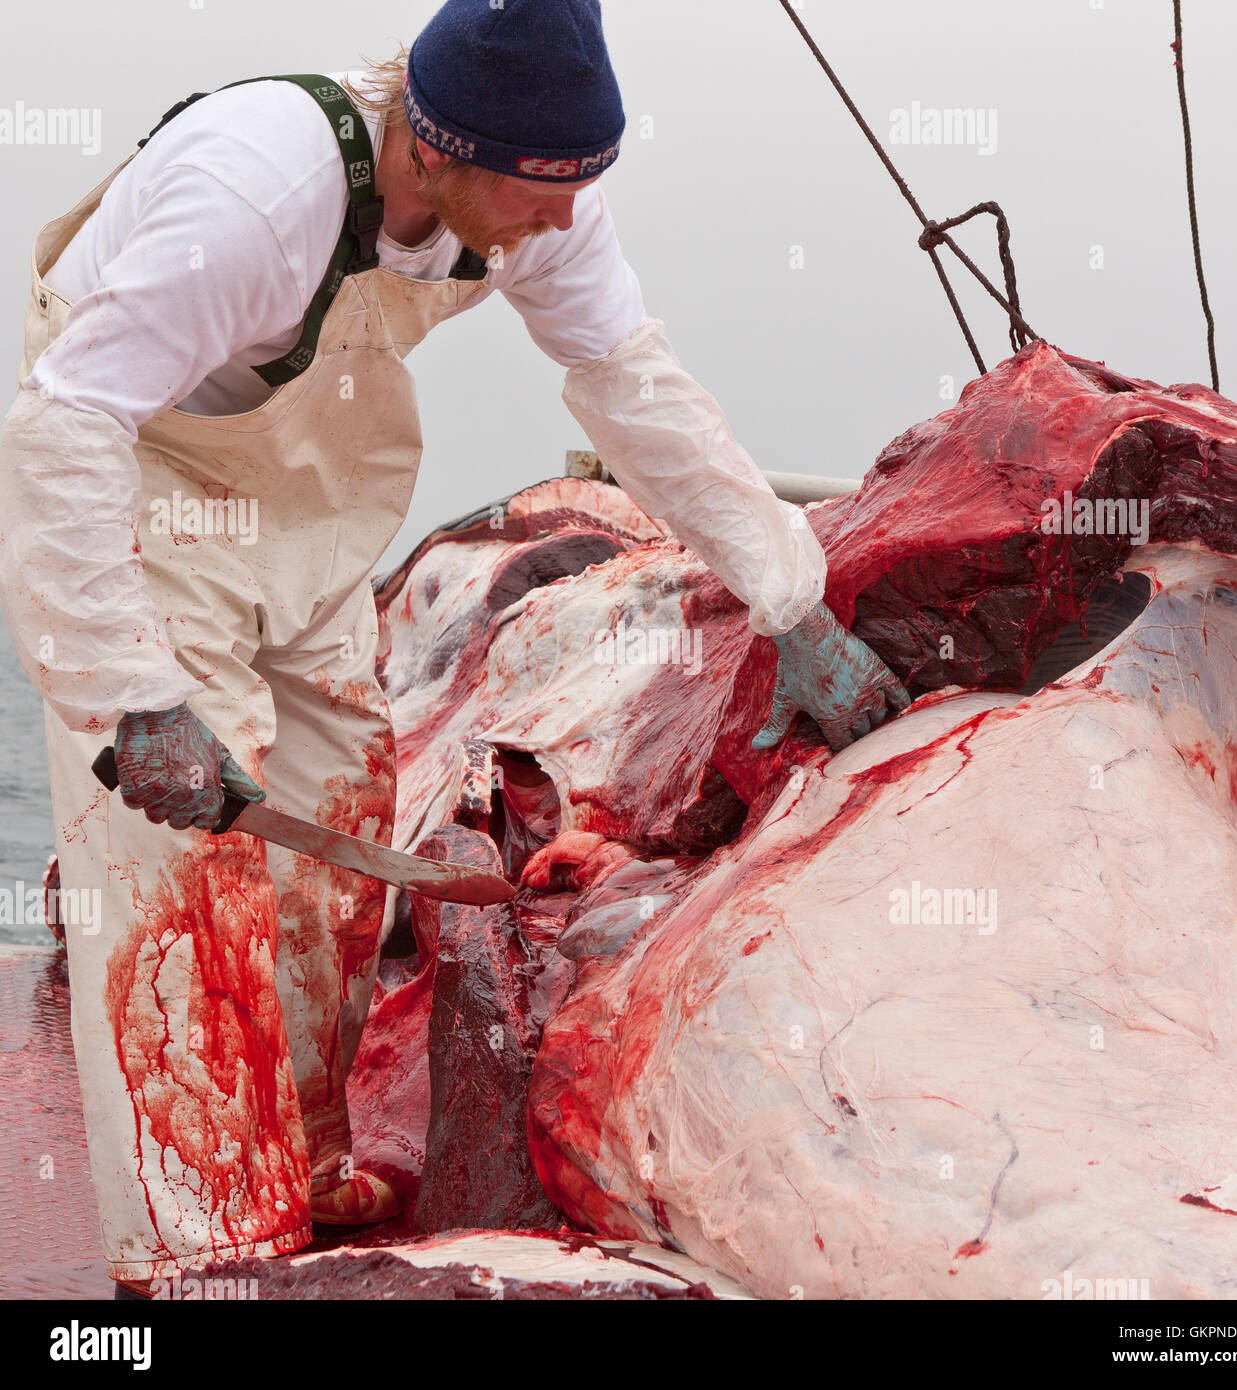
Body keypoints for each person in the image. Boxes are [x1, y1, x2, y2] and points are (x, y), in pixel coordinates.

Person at [0, 0, 907, 1296]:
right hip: (141, 492)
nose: (560, 225)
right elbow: (63, 423)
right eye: (540, 195)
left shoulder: (529, 203)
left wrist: (788, 598)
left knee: (334, 823)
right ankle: (196, 1256)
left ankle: (301, 1175)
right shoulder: (256, 199)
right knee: (183, 882)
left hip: (303, 510)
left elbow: (631, 386)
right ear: (437, 153)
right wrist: (129, 689)